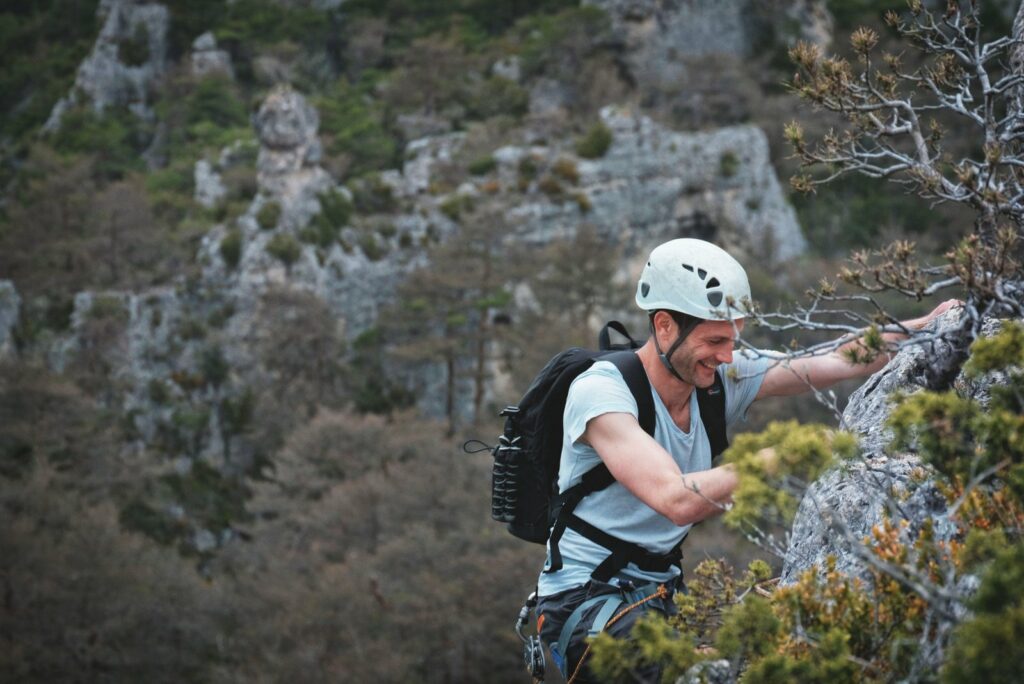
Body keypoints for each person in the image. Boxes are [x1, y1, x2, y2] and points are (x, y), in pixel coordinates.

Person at [534, 238, 959, 683]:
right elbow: (675, 498)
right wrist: (781, 454)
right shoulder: (601, 394)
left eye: (734, 339)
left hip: (659, 596)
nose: (727, 355)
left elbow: (836, 358)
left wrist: (925, 328)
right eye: (715, 340)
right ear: (663, 326)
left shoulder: (718, 377)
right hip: (584, 604)